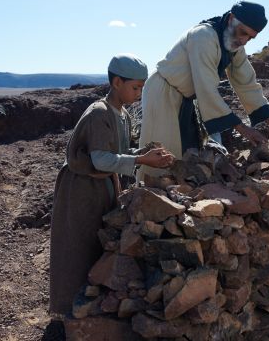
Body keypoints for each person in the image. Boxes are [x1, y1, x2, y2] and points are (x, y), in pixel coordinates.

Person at [49, 53, 175, 316]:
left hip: (103, 184)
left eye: (142, 87)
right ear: (117, 82)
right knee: (77, 244)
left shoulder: (123, 114)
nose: (139, 93)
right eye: (135, 87)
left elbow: (117, 150)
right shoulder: (100, 113)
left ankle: (91, 302)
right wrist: (141, 159)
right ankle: (67, 310)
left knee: (98, 241)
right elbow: (101, 159)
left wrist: (147, 153)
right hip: (81, 188)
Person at [137, 0, 269, 179]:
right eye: (243, 32)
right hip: (163, 92)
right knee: (162, 153)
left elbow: (246, 82)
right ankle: (147, 197)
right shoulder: (203, 36)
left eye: (250, 38)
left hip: (186, 98)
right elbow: (206, 87)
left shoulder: (234, 44)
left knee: (187, 153)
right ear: (231, 19)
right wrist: (242, 128)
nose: (243, 40)